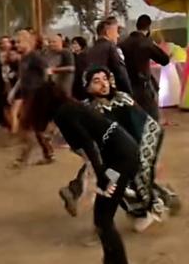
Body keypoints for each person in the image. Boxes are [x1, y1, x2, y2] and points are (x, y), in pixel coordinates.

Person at [21, 54, 139, 264]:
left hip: (121, 158)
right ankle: (112, 260)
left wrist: (102, 176)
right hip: (121, 156)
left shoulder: (64, 113)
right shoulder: (69, 108)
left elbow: (88, 144)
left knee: (103, 218)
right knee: (103, 217)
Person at [60, 66, 180, 233]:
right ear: (87, 86)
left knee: (134, 188)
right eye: (96, 81)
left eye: (105, 78)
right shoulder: (86, 109)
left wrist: (144, 153)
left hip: (131, 153)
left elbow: (143, 125)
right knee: (111, 187)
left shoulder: (122, 100)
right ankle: (103, 219)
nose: (103, 84)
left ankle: (151, 208)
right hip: (108, 159)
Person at [10, 29, 54, 168]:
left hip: (36, 95)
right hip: (27, 95)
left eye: (19, 42)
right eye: (16, 42)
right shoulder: (23, 58)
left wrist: (45, 91)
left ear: (27, 42)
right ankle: (48, 153)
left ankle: (23, 158)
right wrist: (14, 92)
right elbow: (22, 79)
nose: (16, 45)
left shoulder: (35, 57)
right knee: (34, 128)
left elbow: (47, 72)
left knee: (25, 126)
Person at [119, 14, 170, 121]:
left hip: (127, 84)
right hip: (144, 84)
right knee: (151, 116)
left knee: (133, 116)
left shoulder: (123, 43)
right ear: (148, 27)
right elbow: (164, 60)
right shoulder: (146, 42)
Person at [87, 17, 133, 95]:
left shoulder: (90, 50)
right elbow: (121, 73)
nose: (118, 36)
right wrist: (129, 93)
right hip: (109, 92)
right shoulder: (111, 47)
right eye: (116, 32)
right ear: (108, 32)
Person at [71, 36, 89, 100]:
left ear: (81, 45)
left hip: (80, 85)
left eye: (75, 43)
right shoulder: (74, 56)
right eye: (72, 43)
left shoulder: (83, 57)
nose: (73, 45)